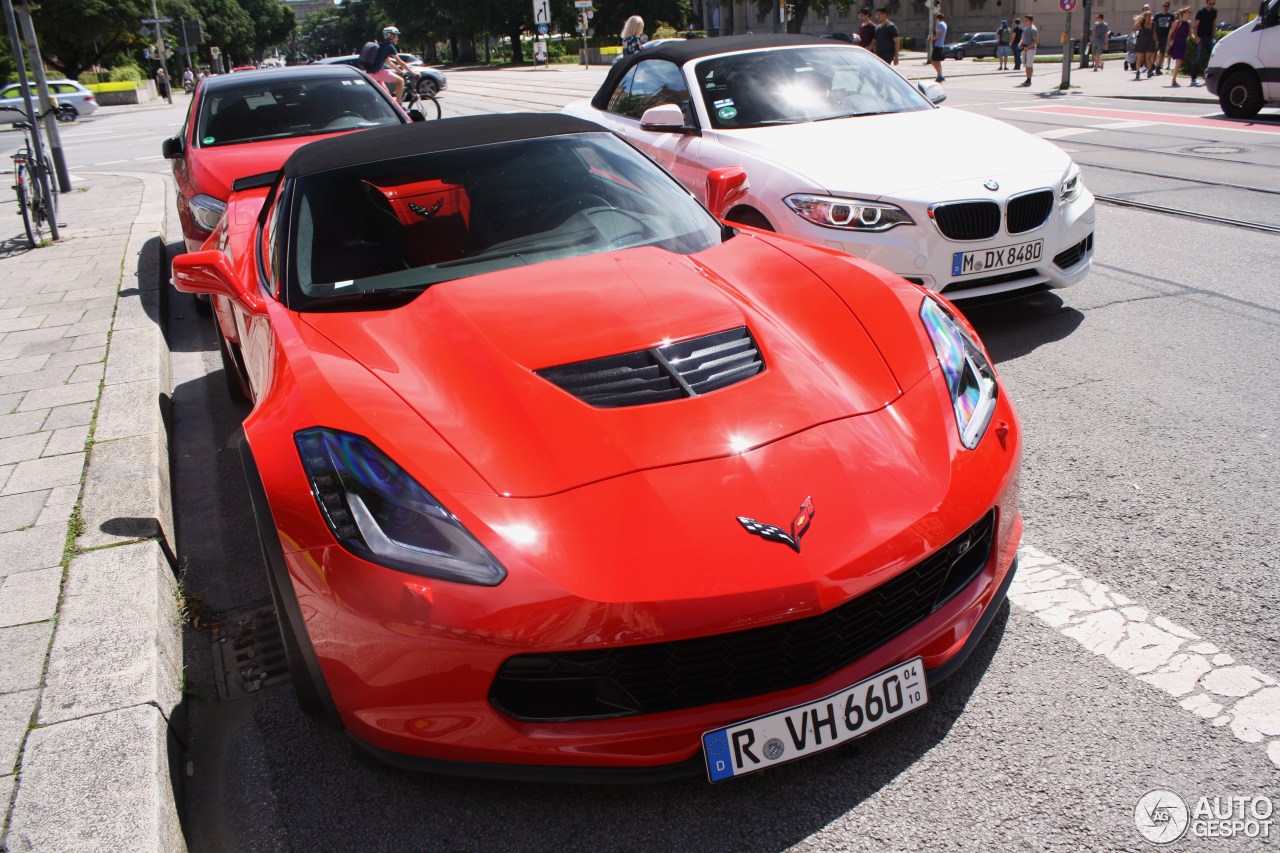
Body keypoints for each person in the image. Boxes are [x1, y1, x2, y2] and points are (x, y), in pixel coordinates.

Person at [368, 26, 415, 101]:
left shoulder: (382, 45)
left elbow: (389, 62)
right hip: (377, 72)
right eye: (396, 36)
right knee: (400, 81)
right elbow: (400, 62)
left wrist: (400, 71)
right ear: (391, 36)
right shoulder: (389, 47)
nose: (397, 38)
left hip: (371, 73)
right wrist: (413, 73)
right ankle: (399, 107)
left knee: (387, 96)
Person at [1188, 0, 1216, 85]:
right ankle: (1193, 78)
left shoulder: (1214, 11)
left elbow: (1214, 24)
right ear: (1206, 3)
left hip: (1209, 37)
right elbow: (1195, 25)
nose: (1211, 5)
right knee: (1197, 58)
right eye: (1210, 3)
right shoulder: (1201, 12)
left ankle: (1209, 75)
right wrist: (1196, 37)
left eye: (1213, 4)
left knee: (1213, 56)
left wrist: (1214, 35)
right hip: (1201, 37)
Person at [1167, 6, 1192, 85]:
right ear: (1184, 13)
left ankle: (1174, 78)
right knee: (1179, 61)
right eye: (1188, 12)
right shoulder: (1177, 22)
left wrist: (1197, 40)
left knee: (1179, 62)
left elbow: (1191, 34)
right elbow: (1171, 33)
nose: (1189, 14)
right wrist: (1169, 44)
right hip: (1177, 43)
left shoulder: (1189, 23)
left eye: (1190, 12)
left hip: (1183, 43)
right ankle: (1173, 79)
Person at [1134, 10, 1157, 78]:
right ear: (1145, 16)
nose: (1149, 17)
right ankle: (1138, 72)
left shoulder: (1153, 24)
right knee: (1140, 57)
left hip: (1149, 42)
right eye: (1147, 16)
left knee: (1148, 58)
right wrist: (1141, 18)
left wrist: (1156, 41)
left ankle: (1149, 71)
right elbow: (1135, 26)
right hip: (1142, 41)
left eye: (1150, 16)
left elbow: (1154, 33)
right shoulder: (1142, 23)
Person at [1153, 1, 1175, 71]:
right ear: (1161, 6)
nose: (1165, 8)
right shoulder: (1157, 16)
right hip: (1157, 36)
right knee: (1154, 52)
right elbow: (1154, 28)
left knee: (1162, 53)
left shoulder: (1171, 16)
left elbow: (1172, 27)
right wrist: (1155, 38)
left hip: (1166, 37)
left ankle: (1158, 67)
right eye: (1164, 6)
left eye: (1167, 6)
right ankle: (1152, 65)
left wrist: (1171, 37)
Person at [1018, 15, 1038, 86]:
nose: (1025, 21)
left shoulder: (1033, 29)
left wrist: (1028, 47)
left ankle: (1029, 80)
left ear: (1030, 20)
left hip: (1030, 49)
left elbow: (1035, 41)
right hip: (1024, 48)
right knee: (1026, 65)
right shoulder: (1025, 28)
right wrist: (1020, 44)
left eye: (1026, 20)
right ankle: (1027, 79)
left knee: (1029, 65)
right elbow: (1022, 39)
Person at [929, 13, 948, 82]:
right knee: (938, 61)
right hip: (941, 45)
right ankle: (939, 75)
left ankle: (940, 75)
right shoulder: (945, 24)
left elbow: (939, 35)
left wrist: (932, 38)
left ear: (937, 18)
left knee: (933, 61)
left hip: (938, 45)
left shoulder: (940, 25)